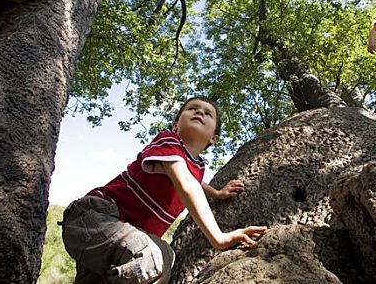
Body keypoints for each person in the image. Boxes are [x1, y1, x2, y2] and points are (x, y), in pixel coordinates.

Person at [60, 96, 267, 284]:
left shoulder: (197, 168)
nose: (199, 113)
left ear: (214, 138)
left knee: (160, 261)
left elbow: (194, 182)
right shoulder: (169, 141)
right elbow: (186, 181)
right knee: (157, 256)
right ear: (176, 125)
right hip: (96, 218)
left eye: (207, 113)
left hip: (120, 242)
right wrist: (219, 238)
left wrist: (217, 193)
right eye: (192, 109)